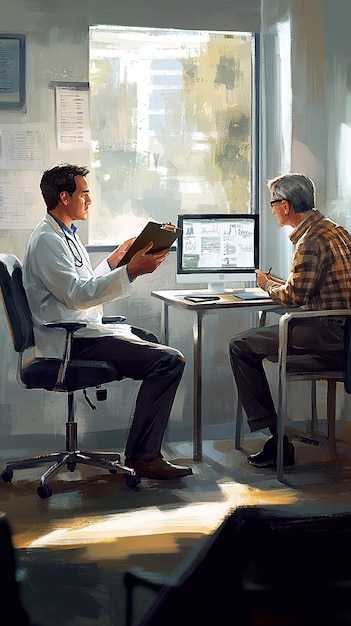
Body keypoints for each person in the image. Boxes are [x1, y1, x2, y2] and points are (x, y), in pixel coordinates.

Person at [23, 163, 192, 481]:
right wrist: (131, 271)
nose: (89, 200)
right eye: (84, 194)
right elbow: (76, 295)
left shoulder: (63, 234)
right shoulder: (47, 240)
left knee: (151, 341)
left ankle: (145, 451)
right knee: (170, 360)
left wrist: (116, 260)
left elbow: (80, 284)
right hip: (69, 341)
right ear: (64, 197)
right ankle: (143, 456)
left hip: (79, 331)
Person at [229, 172, 351, 468]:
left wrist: (265, 285)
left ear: (285, 205)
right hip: (345, 332)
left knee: (240, 346)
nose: (272, 211)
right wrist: (277, 283)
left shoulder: (309, 241)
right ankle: (277, 437)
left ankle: (277, 439)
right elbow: (307, 288)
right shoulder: (335, 231)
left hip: (327, 332)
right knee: (250, 342)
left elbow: (293, 298)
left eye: (273, 204)